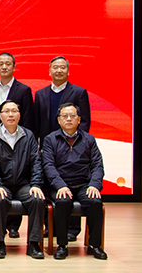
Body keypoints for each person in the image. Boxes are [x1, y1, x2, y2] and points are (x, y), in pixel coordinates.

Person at [42, 102, 107, 260]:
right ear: (59, 120)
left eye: (72, 116)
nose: (69, 119)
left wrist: (94, 185)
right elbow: (48, 166)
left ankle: (94, 245)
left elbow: (98, 165)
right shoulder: (50, 139)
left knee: (95, 202)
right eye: (65, 116)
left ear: (79, 119)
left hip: (84, 184)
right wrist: (60, 186)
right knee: (62, 202)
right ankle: (62, 245)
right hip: (60, 185)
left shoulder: (89, 139)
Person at [0, 100, 45, 259]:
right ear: (0, 116)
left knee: (37, 199)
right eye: (6, 111)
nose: (10, 114)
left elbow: (36, 162)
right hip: (2, 184)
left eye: (14, 111)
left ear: (19, 115)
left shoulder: (28, 135)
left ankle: (33, 244)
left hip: (24, 184)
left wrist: (36, 184)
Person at [36, 56, 92, 140]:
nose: (59, 70)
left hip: (70, 142)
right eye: (55, 67)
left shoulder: (79, 93)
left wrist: (77, 142)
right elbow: (36, 122)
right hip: (47, 143)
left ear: (68, 71)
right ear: (50, 72)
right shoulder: (40, 94)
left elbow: (84, 122)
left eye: (63, 67)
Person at [0, 52, 36, 136]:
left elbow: (27, 119)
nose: (4, 67)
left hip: (16, 136)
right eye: (1, 64)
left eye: (8, 64)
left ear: (14, 67)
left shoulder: (24, 90)